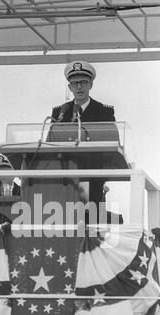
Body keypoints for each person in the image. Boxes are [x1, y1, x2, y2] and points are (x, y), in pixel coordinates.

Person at [51, 60, 117, 209]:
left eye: (83, 82)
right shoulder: (60, 112)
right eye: (75, 83)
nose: (79, 87)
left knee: (91, 225)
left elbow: (111, 142)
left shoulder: (104, 111)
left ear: (91, 85)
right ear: (70, 87)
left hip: (93, 174)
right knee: (66, 223)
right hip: (65, 177)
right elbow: (51, 143)